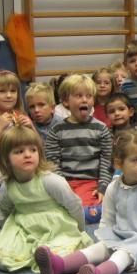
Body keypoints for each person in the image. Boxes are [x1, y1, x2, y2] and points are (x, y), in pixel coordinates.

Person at [34, 129, 137, 274]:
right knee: (97, 249)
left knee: (122, 255)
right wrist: (106, 241)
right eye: (136, 160)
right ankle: (59, 266)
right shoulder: (114, 187)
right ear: (119, 164)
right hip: (121, 232)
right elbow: (107, 219)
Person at [0, 126, 93, 273]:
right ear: (6, 158)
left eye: (33, 150)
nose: (27, 155)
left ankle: (50, 258)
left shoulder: (51, 181)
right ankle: (37, 255)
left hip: (55, 228)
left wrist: (80, 231)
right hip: (24, 229)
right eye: (19, 151)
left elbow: (74, 205)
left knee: (65, 251)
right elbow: (2, 209)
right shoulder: (8, 185)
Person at [45, 74, 113, 224]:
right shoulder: (56, 131)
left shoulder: (101, 129)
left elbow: (106, 162)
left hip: (90, 183)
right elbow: (52, 163)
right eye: (78, 96)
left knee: (81, 209)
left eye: (89, 96)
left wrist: (102, 187)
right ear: (65, 101)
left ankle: (92, 212)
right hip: (64, 183)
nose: (84, 100)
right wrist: (61, 188)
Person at [0, 69, 34, 185]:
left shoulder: (21, 116)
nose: (9, 95)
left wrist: (31, 128)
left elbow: (38, 147)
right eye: (2, 91)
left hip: (22, 173)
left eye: (13, 91)